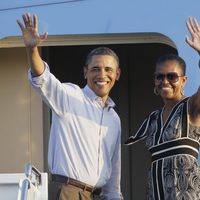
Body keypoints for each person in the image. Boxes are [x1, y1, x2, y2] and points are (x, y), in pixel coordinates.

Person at [17, 13, 123, 200]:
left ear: (117, 74)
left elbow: (114, 170)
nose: (102, 75)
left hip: (94, 196)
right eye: (95, 69)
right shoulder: (70, 96)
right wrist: (32, 50)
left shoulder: (114, 119)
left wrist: (114, 196)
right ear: (85, 72)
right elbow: (43, 80)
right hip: (66, 192)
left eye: (108, 70)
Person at [125, 16, 200, 200]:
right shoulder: (153, 118)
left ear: (184, 81)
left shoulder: (190, 108)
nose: (165, 81)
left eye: (172, 76)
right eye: (160, 76)